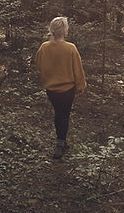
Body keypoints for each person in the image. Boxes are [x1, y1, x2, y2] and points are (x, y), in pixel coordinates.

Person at [34, 16, 87, 159]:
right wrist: (81, 86)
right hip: (67, 90)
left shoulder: (44, 47)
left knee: (59, 114)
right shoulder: (71, 48)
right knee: (63, 115)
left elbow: (39, 64)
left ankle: (62, 141)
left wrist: (49, 75)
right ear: (64, 30)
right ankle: (60, 144)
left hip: (51, 89)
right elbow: (78, 69)